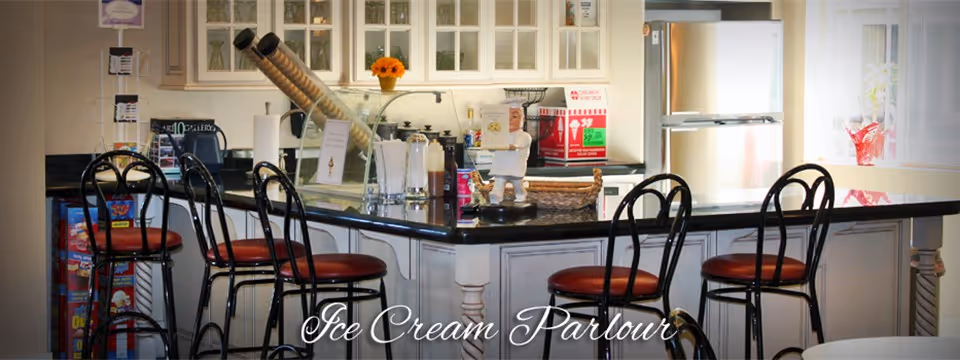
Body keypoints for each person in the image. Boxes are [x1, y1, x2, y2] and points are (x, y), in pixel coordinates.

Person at [488, 107, 532, 205]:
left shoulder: (525, 136)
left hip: (515, 167)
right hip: (500, 166)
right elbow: (491, 148)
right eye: (506, 117)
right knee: (498, 182)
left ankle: (521, 194)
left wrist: (510, 146)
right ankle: (496, 196)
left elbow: (517, 146)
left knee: (517, 184)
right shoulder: (498, 135)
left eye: (515, 116)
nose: (510, 120)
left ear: (522, 120)